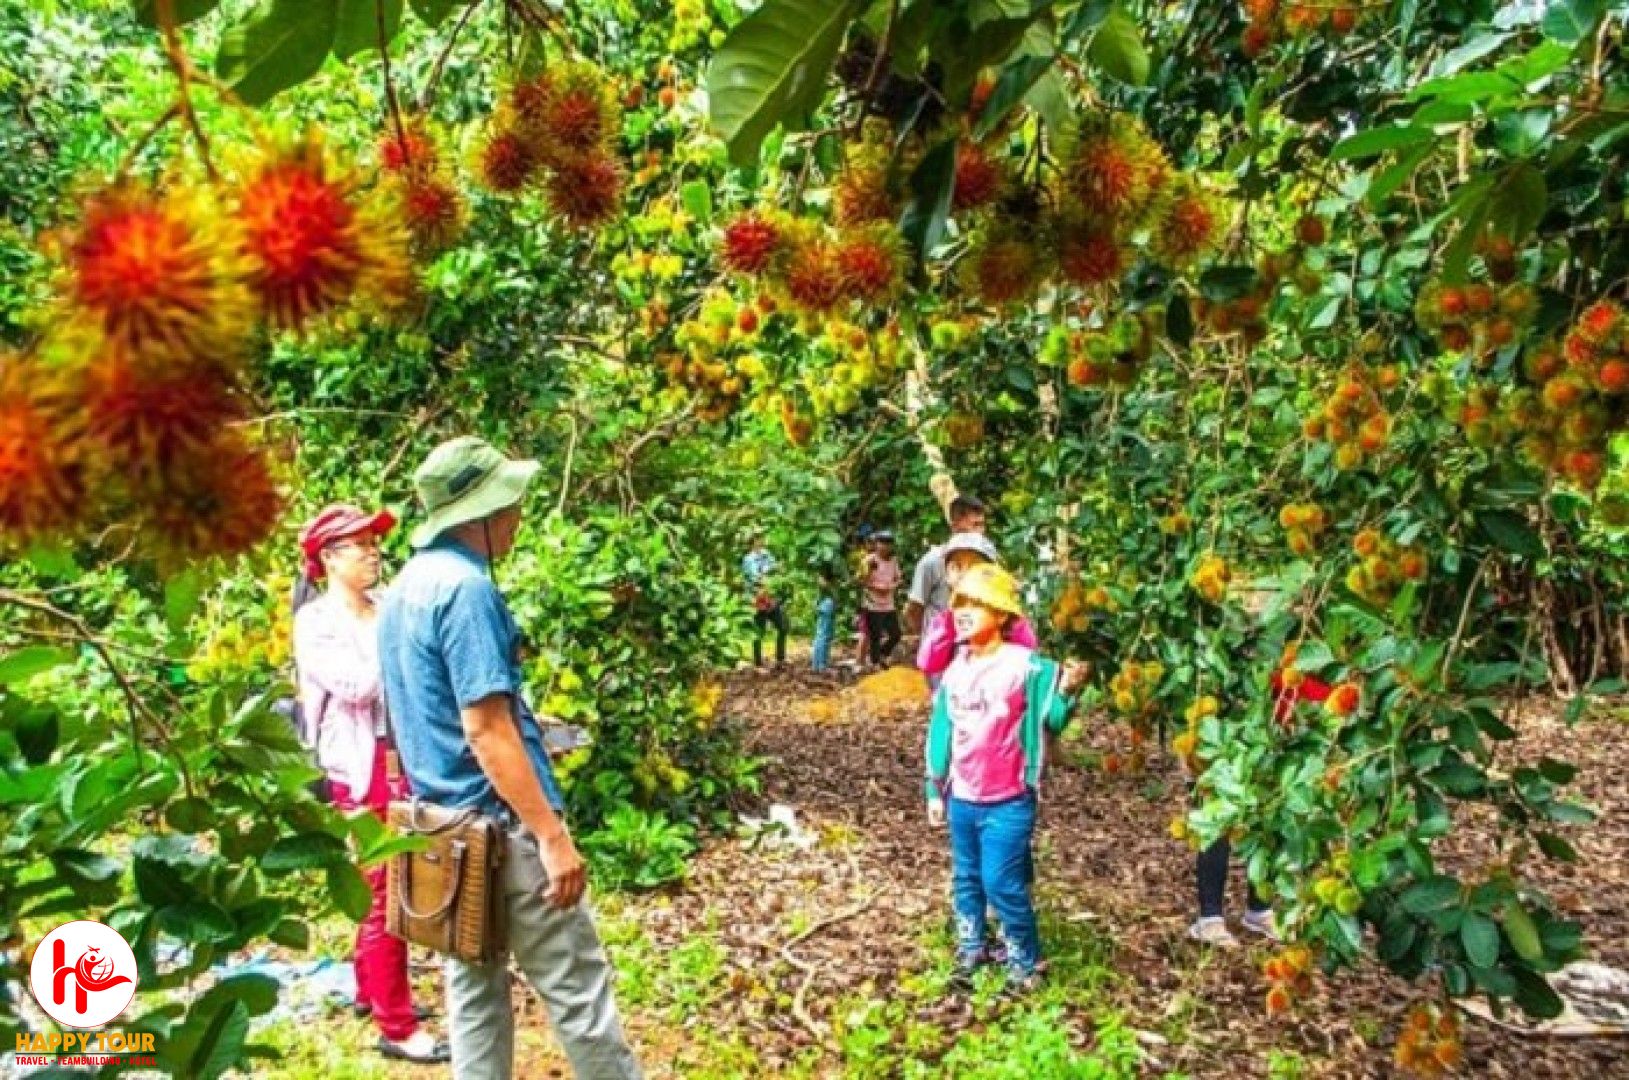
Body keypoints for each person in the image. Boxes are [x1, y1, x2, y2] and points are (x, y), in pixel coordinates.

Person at [376, 436, 642, 1080]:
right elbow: (486, 730)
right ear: (483, 513)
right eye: (511, 504)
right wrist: (551, 836)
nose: (518, 516)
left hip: (441, 831)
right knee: (578, 994)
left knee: (472, 995)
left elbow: (424, 711)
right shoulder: (466, 591)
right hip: (503, 833)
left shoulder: (406, 586)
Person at [293, 504, 449, 1066]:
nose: (372, 553)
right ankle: (398, 1025)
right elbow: (356, 685)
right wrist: (403, 643)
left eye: (373, 543)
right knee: (386, 894)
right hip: (359, 771)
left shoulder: (384, 607)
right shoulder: (316, 622)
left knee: (392, 882)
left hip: (400, 762)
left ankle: (370, 991)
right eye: (358, 545)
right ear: (329, 558)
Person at [925, 564, 1088, 994]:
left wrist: (1070, 690)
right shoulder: (954, 670)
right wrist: (933, 786)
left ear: (1001, 614)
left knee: (1001, 880)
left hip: (1009, 798)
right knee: (967, 876)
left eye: (976, 603)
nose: (963, 611)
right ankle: (972, 947)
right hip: (962, 796)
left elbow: (1050, 719)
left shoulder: (1028, 668)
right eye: (959, 603)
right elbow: (942, 729)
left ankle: (1025, 959)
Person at [1185, 660, 1323, 947]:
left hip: (1287, 742)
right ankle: (1209, 919)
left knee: (1272, 822)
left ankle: (1259, 910)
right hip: (1236, 729)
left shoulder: (1332, 646)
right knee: (1218, 820)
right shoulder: (1271, 641)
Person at [916, 532, 1039, 683]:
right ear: (947, 575)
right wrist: (949, 624)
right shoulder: (944, 620)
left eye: (974, 566)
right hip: (956, 698)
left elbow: (1028, 656)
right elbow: (927, 663)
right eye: (956, 566)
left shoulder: (1007, 618)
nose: (964, 573)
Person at [906, 495, 987, 636]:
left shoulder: (985, 560)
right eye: (974, 525)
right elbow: (914, 608)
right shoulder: (932, 562)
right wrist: (928, 639)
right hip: (939, 647)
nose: (980, 532)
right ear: (954, 526)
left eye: (982, 525)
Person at [742, 531, 787, 669]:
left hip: (771, 598)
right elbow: (756, 577)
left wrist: (774, 573)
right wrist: (770, 574)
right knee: (758, 631)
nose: (762, 540)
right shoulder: (748, 559)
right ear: (753, 541)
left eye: (762, 537)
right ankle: (758, 663)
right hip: (758, 599)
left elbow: (776, 570)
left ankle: (780, 658)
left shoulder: (767, 554)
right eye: (758, 538)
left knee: (783, 627)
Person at [860, 531, 903, 667]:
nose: (885, 547)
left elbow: (899, 578)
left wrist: (892, 586)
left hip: (889, 604)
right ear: (876, 544)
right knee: (875, 636)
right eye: (882, 543)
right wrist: (877, 587)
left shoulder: (893, 561)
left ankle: (882, 654)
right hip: (873, 604)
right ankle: (875, 663)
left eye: (888, 543)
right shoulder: (869, 560)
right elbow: (862, 581)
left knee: (896, 634)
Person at [811, 569, 837, 674]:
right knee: (824, 636)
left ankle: (817, 665)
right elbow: (823, 584)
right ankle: (822, 665)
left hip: (824, 604)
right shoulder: (826, 583)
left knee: (822, 635)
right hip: (826, 604)